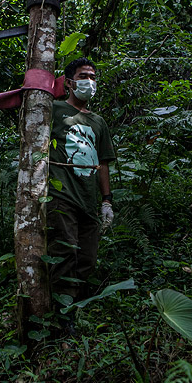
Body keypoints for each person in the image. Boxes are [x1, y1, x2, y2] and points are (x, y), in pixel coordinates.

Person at [47, 57, 116, 334]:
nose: (90, 81)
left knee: (87, 257)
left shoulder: (98, 122)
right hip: (61, 194)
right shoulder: (54, 110)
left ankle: (73, 304)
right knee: (64, 253)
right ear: (70, 82)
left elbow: (103, 163)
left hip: (88, 200)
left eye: (93, 76)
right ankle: (63, 318)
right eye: (84, 76)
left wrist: (107, 200)